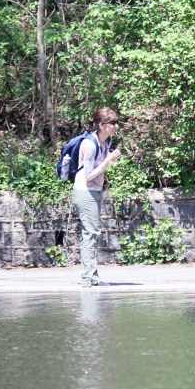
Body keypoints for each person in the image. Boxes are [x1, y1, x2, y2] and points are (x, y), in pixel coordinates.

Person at [72, 107, 121, 288]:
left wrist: (107, 161)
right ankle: (88, 278)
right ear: (101, 125)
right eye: (112, 123)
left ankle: (92, 277)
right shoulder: (89, 145)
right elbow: (88, 175)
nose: (116, 126)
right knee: (90, 233)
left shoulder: (105, 141)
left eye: (116, 123)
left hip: (95, 191)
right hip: (85, 191)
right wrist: (108, 163)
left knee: (92, 233)